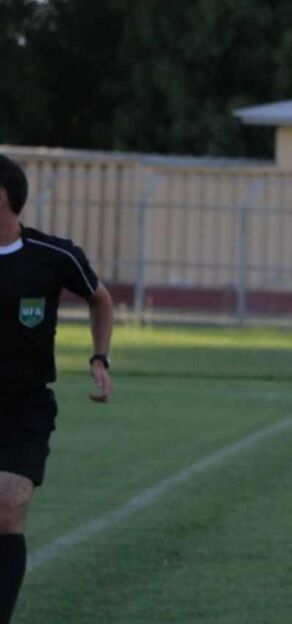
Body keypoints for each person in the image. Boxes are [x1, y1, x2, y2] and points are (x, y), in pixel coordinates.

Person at [0, 154, 113, 622]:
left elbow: (100, 299)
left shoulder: (53, 255)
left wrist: (99, 357)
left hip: (24, 406)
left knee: (8, 508)